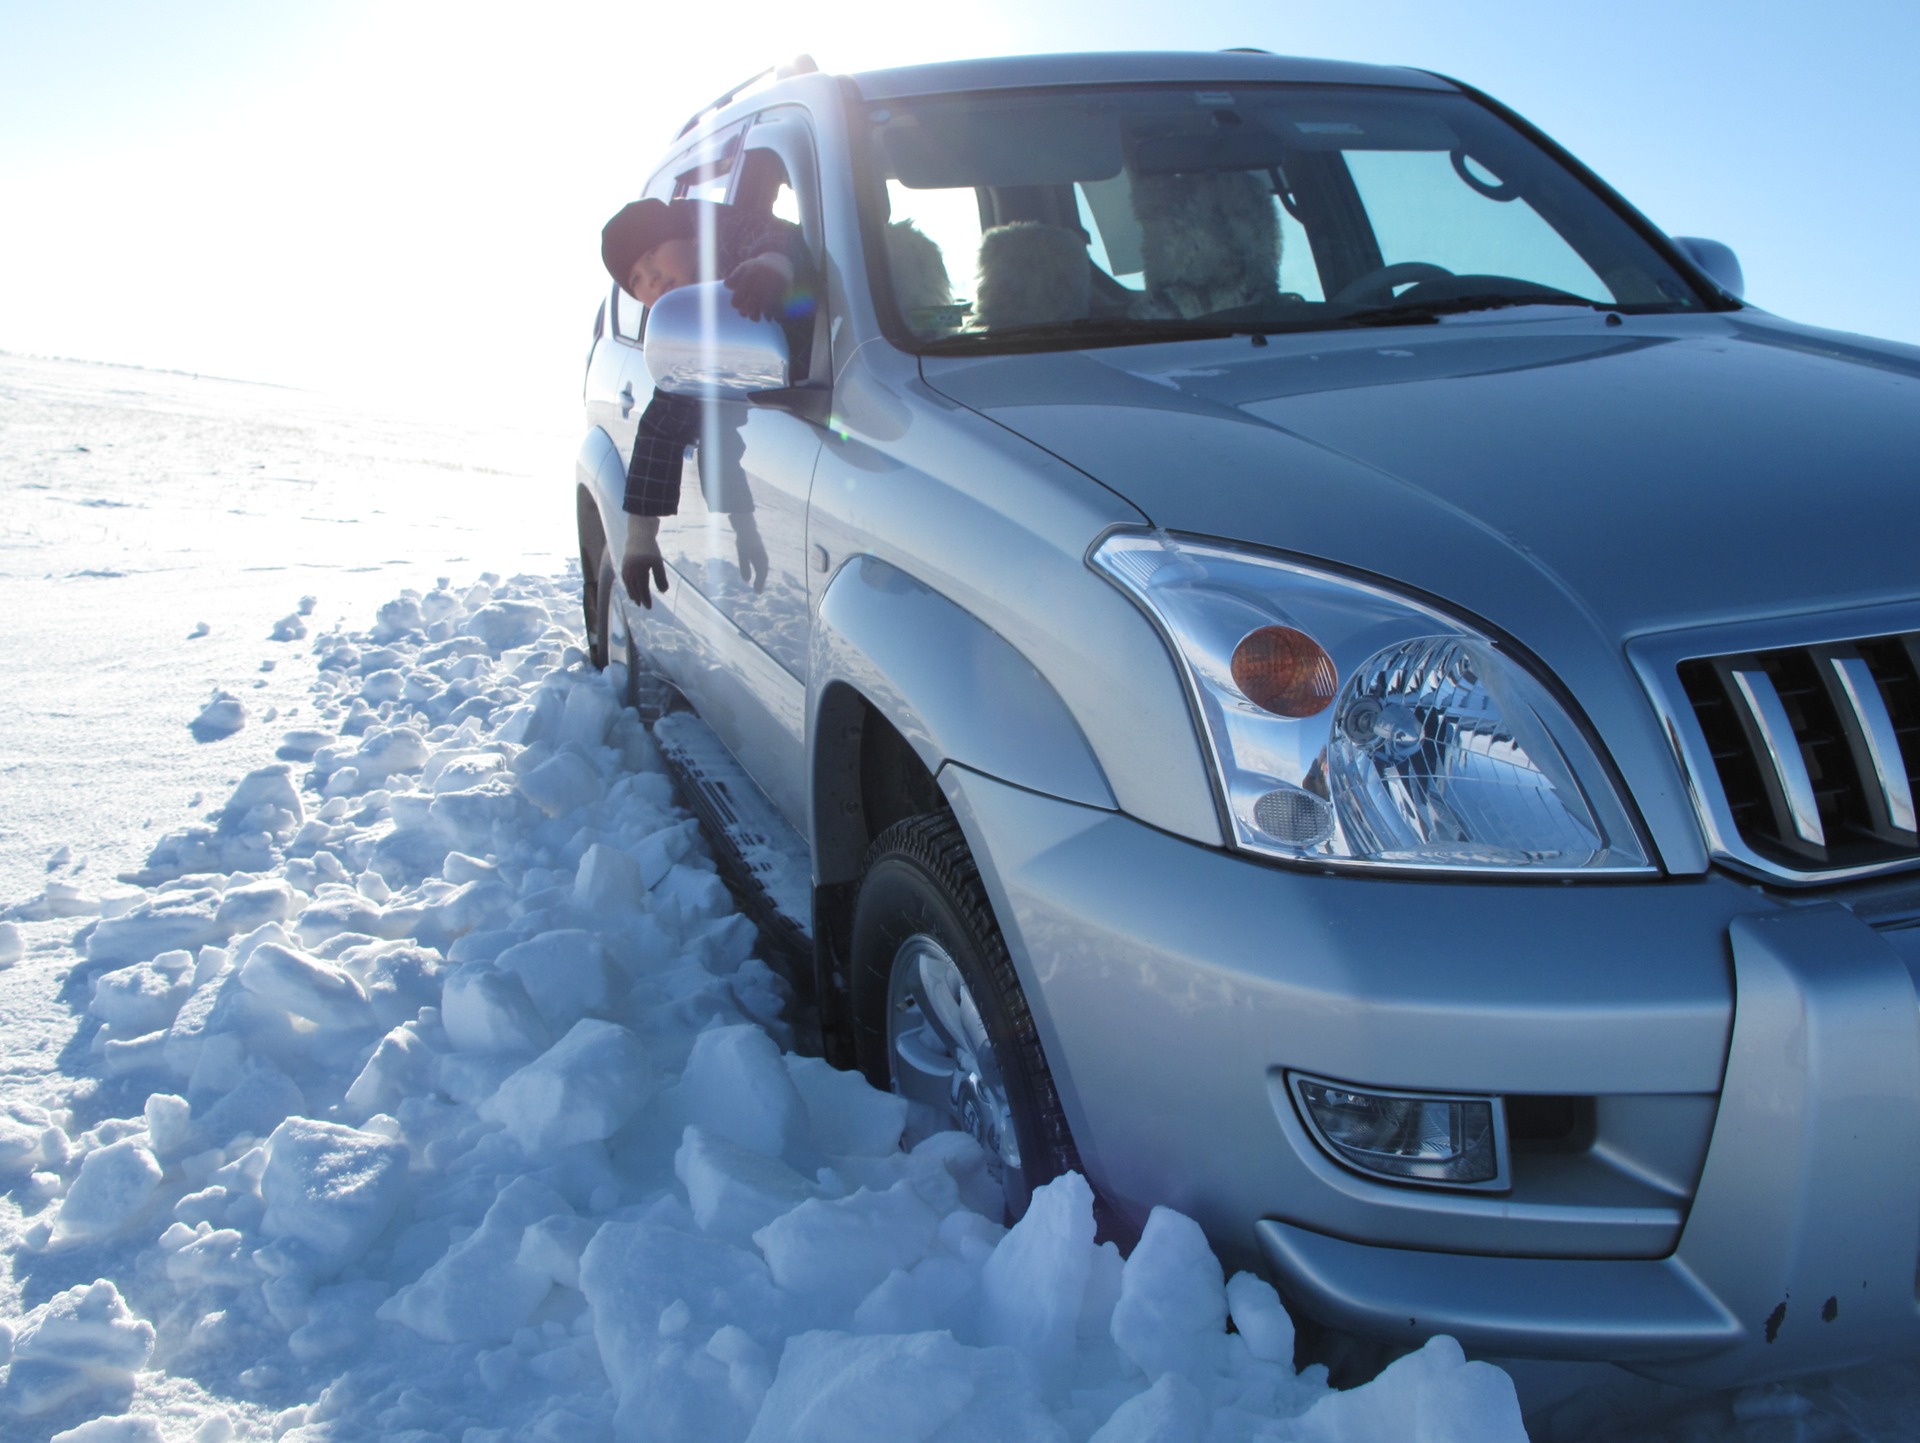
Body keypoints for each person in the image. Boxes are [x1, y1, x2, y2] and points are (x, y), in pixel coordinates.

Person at [600, 197, 815, 608]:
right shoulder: (688, 329)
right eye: (637, 280)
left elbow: (776, 236)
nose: (653, 278)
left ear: (690, 237)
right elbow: (663, 426)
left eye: (652, 253)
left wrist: (772, 265)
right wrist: (640, 538)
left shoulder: (729, 238)